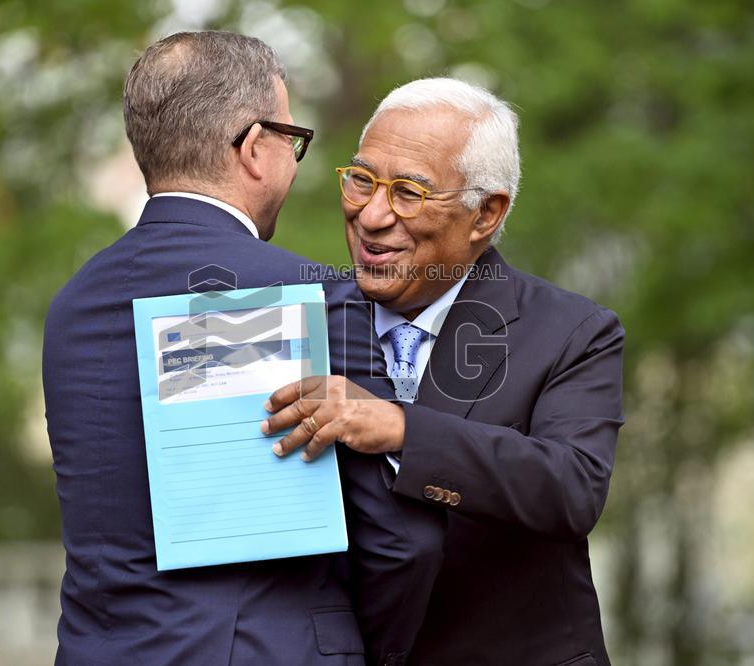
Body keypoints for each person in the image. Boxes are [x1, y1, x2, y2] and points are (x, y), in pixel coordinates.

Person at [42, 33, 440, 666]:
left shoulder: (73, 306)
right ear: (255, 148)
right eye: (292, 140)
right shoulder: (313, 296)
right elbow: (401, 542)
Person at [263, 78, 625, 665]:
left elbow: (571, 487)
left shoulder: (572, 332)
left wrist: (402, 428)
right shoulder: (295, 322)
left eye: (408, 192)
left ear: (486, 213)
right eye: (361, 180)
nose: (372, 215)